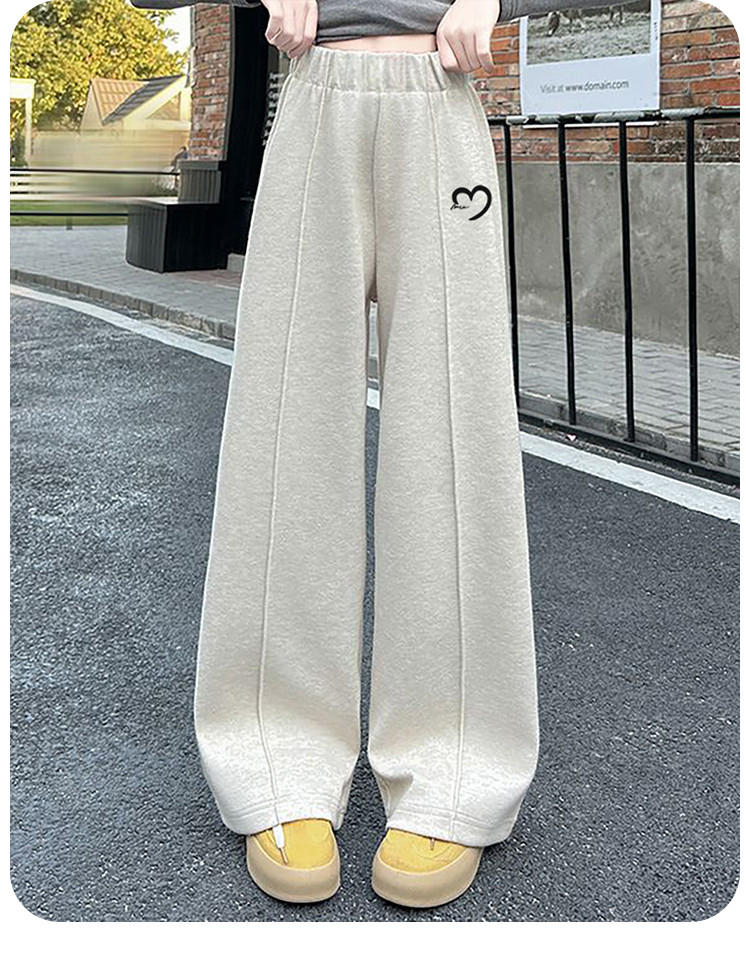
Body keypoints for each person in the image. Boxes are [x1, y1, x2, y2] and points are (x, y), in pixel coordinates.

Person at [132, 0, 624, 909]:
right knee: (283, 437)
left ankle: (458, 761)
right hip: (314, 101)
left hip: (441, 100)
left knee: (456, 439)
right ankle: (276, 753)